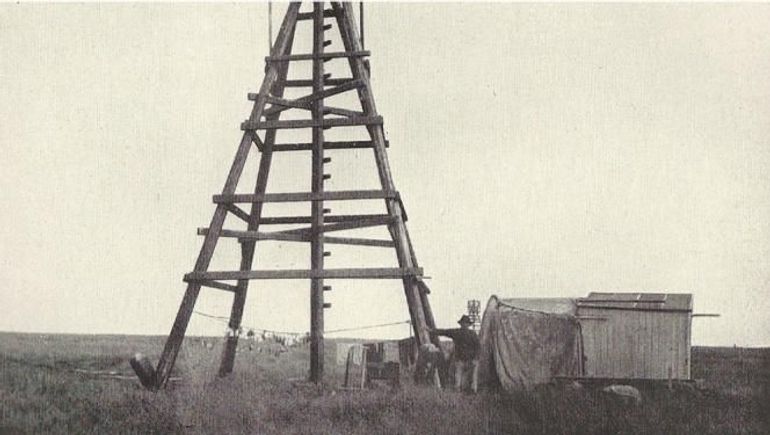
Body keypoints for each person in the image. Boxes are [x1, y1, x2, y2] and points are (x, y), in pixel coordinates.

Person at [429, 315, 480, 393]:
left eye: (466, 323)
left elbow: (478, 347)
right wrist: (432, 330)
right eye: (464, 323)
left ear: (467, 324)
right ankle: (464, 391)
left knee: (468, 378)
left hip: (468, 360)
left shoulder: (467, 333)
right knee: (462, 379)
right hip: (462, 360)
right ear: (462, 324)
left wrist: (475, 358)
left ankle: (470, 391)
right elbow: (445, 332)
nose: (464, 325)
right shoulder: (465, 333)